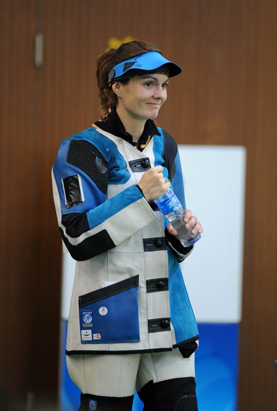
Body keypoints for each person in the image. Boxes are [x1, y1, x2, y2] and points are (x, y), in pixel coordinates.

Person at [52, 40, 203, 411]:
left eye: (164, 84)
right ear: (117, 86)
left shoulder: (166, 145)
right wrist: (139, 194)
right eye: (149, 83)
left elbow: (175, 236)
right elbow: (76, 237)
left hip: (170, 319)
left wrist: (184, 235)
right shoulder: (80, 149)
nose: (160, 94)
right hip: (110, 321)